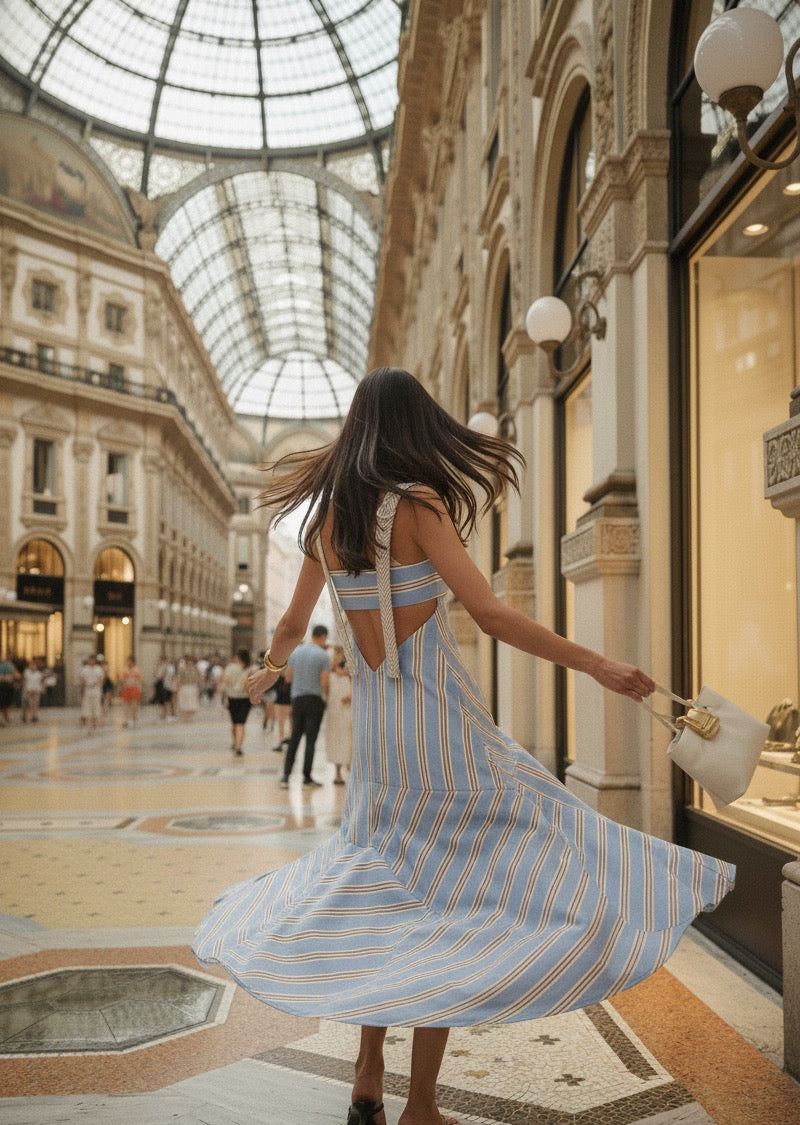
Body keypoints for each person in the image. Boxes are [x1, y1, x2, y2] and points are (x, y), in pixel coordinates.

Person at [194, 367, 735, 1125]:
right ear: (415, 426)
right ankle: (420, 1104)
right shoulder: (418, 505)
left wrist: (270, 669)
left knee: (383, 894)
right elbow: (490, 613)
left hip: (381, 751)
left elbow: (288, 626)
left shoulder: (326, 520)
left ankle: (366, 1075)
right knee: (452, 904)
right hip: (443, 737)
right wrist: (595, 663)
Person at [280, 624, 330, 788]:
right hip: (314, 700)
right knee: (310, 740)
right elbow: (324, 682)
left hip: (297, 700)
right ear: (323, 636)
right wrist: (326, 698)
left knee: (294, 737)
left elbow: (288, 678)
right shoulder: (323, 656)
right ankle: (306, 777)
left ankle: (286, 776)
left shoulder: (296, 652)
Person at [324, 644, 352, 785]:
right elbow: (326, 689)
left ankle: (350, 767)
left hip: (349, 710)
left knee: (350, 739)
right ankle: (338, 772)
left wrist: (351, 697)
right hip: (335, 711)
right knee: (336, 739)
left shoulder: (352, 673)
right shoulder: (329, 674)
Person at [223, 648, 253, 756]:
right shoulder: (250, 669)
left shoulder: (230, 668)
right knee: (241, 724)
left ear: (238, 657)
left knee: (234, 723)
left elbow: (224, 681)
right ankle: (238, 747)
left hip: (232, 698)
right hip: (245, 699)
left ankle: (235, 742)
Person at [79, 654, 104, 732]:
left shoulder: (98, 669)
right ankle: (88, 725)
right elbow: (81, 679)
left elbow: (101, 679)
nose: (91, 661)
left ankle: (96, 724)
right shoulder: (85, 669)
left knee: (96, 706)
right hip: (88, 689)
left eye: (93, 660)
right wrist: (83, 688)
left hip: (96, 689)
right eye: (90, 660)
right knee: (87, 707)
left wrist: (95, 683)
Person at [270, 668, 292, 753]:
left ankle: (282, 741)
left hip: (282, 698)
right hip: (289, 697)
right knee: (288, 721)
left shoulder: (279, 669)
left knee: (282, 721)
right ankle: (287, 741)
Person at [119, 656, 143, 727]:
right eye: (128, 661)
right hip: (126, 688)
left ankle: (134, 720)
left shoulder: (137, 670)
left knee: (134, 705)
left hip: (134, 688)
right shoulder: (125, 669)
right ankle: (126, 720)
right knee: (125, 705)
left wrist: (140, 690)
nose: (129, 662)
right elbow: (122, 680)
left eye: (130, 661)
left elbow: (140, 681)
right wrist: (121, 688)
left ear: (133, 662)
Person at [175, 655, 200, 721]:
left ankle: (189, 715)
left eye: (191, 663)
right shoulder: (182, 670)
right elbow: (179, 679)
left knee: (191, 701)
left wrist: (197, 687)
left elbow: (197, 679)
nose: (190, 664)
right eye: (189, 662)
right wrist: (178, 687)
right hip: (184, 687)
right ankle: (185, 716)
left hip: (192, 687)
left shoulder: (194, 670)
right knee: (184, 701)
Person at [21, 659, 44, 723]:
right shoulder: (26, 672)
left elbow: (41, 682)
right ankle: (29, 715)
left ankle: (34, 716)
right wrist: (25, 689)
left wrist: (41, 689)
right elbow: (24, 681)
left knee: (35, 703)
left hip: (36, 689)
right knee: (29, 703)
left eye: (34, 665)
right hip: (28, 689)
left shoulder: (39, 673)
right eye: (31, 665)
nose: (33, 666)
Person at [0, 655, 18, 725]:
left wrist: (11, 677)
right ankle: (2, 719)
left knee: (7, 703)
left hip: (8, 686)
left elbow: (16, 675)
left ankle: (6, 718)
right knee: (2, 703)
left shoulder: (10, 665)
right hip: (2, 686)